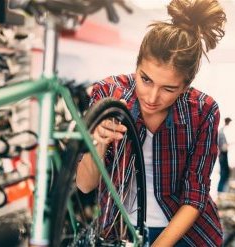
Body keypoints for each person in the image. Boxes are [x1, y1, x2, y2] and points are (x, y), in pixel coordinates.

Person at [76, 0, 226, 246]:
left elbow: (195, 196)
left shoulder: (204, 111)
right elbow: (84, 185)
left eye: (169, 88)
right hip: (120, 231)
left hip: (184, 235)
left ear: (186, 86)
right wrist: (98, 141)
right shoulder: (108, 93)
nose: (152, 97)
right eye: (145, 79)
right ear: (136, 65)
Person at [218, 117, 232, 192]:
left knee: (224, 173)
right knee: (224, 174)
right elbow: (223, 147)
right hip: (223, 155)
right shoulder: (221, 132)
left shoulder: (221, 131)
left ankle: (221, 191)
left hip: (222, 155)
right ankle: (220, 191)